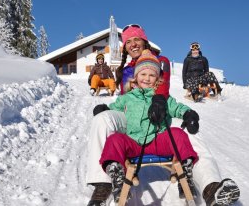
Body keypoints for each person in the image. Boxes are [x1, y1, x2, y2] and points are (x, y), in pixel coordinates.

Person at [86, 25, 240, 206]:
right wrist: (106, 109)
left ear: (145, 41)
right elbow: (120, 103)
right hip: (133, 125)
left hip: (160, 116)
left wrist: (185, 112)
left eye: (137, 39)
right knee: (102, 121)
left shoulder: (161, 61)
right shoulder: (126, 71)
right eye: (128, 42)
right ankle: (103, 183)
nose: (133, 44)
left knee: (188, 133)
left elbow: (168, 96)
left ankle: (210, 187)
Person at [97, 51, 199, 203]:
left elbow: (176, 107)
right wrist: (104, 109)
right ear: (136, 76)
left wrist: (188, 114)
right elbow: (114, 109)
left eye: (152, 75)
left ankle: (185, 173)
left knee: (177, 133)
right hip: (133, 142)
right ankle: (117, 177)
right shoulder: (127, 98)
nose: (147, 78)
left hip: (158, 140)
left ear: (157, 78)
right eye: (143, 74)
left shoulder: (162, 97)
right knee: (115, 139)